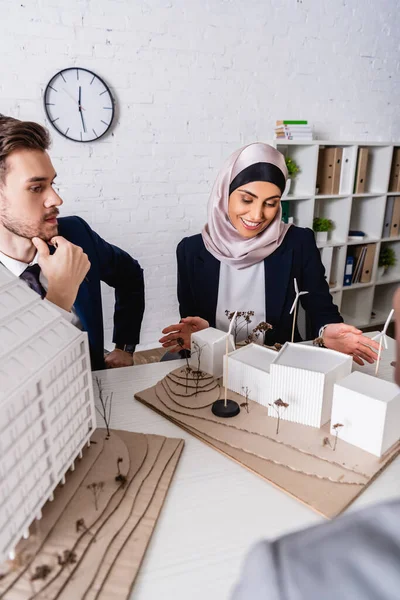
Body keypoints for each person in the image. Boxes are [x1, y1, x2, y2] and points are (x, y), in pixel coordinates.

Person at [160, 143, 379, 364]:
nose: (256, 215)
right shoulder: (191, 250)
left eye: (271, 203)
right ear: (224, 193)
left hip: (277, 361)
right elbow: (190, 319)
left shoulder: (297, 242)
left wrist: (327, 330)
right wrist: (200, 334)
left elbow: (320, 306)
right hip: (214, 360)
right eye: (247, 199)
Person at [0, 115, 144, 370]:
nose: (56, 199)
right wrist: (60, 294)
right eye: (36, 188)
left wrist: (125, 346)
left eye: (52, 183)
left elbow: (130, 275)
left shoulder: (75, 233)